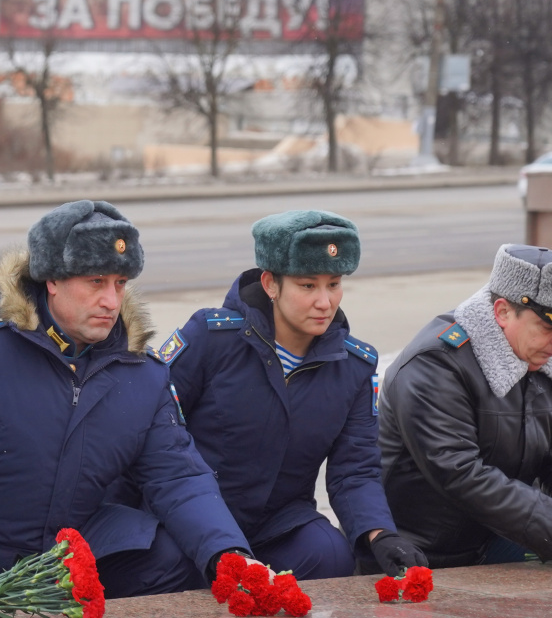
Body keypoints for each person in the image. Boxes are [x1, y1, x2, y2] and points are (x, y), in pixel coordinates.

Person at [0, 200, 249, 597]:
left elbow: (177, 476)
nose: (111, 301)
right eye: (95, 282)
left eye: (120, 284)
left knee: (174, 559)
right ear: (52, 280)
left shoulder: (142, 375)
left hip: (73, 555)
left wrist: (228, 556)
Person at [164, 211, 425, 579]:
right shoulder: (211, 339)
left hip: (278, 524)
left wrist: (379, 533)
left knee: (332, 555)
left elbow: (354, 469)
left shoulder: (353, 366)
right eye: (307, 286)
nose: (325, 302)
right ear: (271, 284)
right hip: (195, 517)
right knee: (165, 565)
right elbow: (156, 434)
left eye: (333, 284)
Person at [379, 244, 552, 570]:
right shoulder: (436, 363)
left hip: (495, 541)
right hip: (420, 553)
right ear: (502, 311)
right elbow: (461, 474)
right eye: (549, 327)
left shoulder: (543, 354)